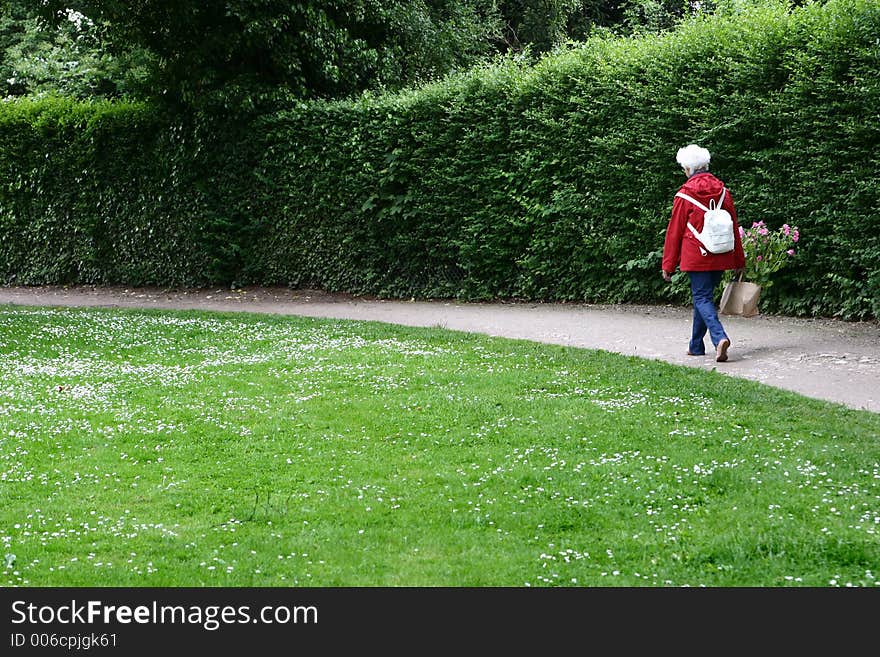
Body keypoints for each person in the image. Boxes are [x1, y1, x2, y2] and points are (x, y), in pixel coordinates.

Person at [661, 144, 745, 362]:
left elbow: (674, 232)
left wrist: (668, 265)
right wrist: (738, 259)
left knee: (701, 297)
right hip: (722, 253)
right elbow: (734, 226)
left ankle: (719, 338)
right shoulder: (724, 192)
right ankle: (696, 345)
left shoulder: (684, 195)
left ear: (689, 169)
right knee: (704, 297)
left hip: (697, 255)